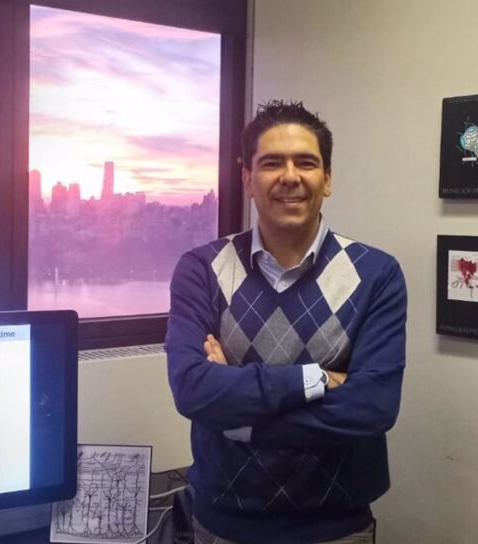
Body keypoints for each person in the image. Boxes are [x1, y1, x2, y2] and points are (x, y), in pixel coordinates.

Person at [165, 100, 407, 544]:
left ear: (327, 179)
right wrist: (317, 380)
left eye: (306, 163)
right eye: (272, 163)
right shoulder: (202, 269)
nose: (290, 176)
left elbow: (372, 408)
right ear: (247, 179)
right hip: (222, 525)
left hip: (338, 528)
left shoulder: (376, 274)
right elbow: (193, 389)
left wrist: (240, 419)